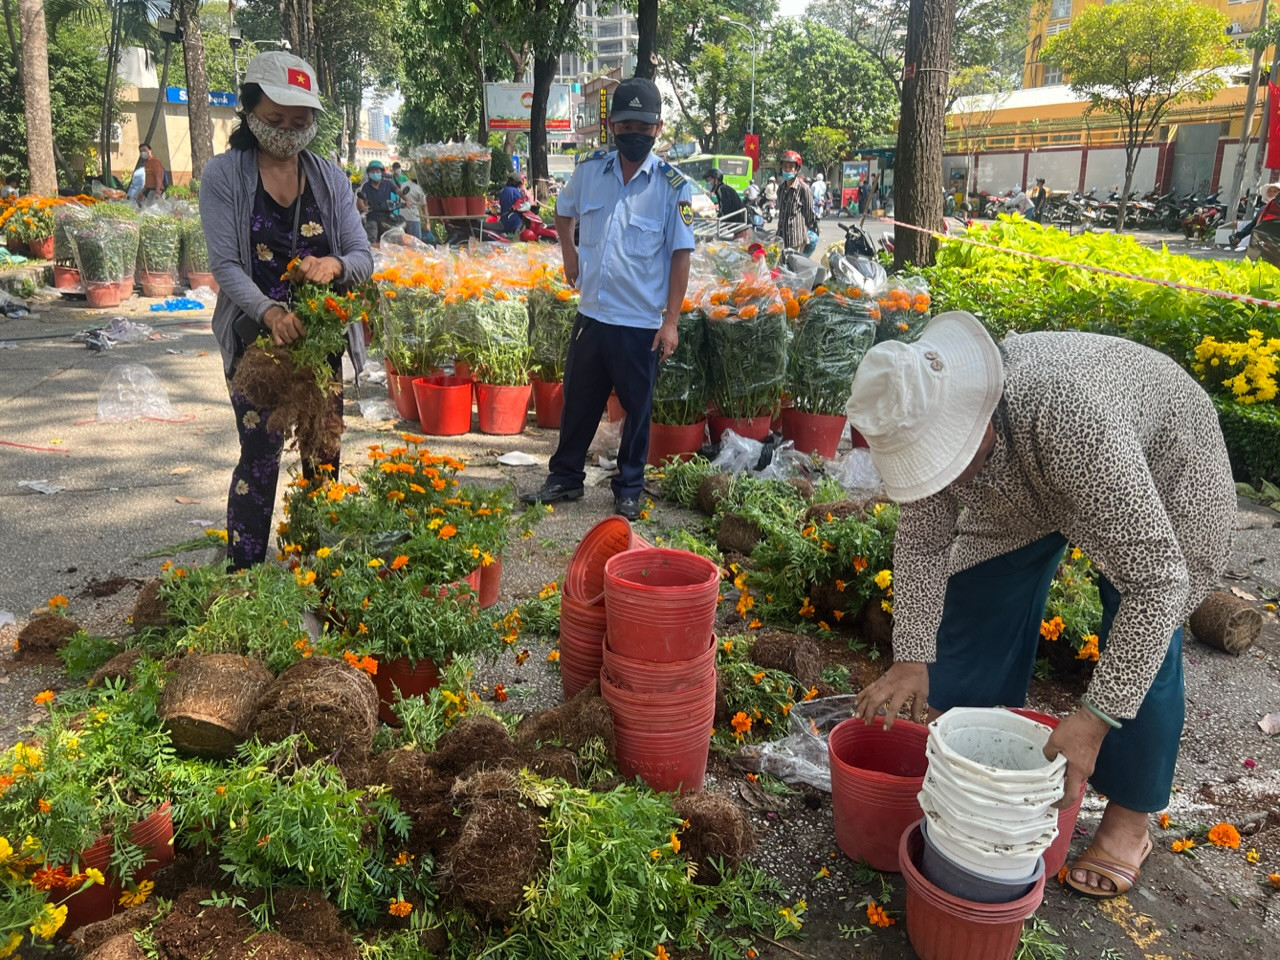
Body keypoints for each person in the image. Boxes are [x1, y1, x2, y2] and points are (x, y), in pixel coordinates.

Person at [846, 312, 1234, 900]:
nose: (937, 477)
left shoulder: (1070, 421)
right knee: (977, 591)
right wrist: (911, 656)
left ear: (976, 421)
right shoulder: (932, 409)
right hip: (1031, 469)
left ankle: (1130, 821)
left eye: (941, 457)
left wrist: (1095, 717)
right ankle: (981, 766)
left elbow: (1157, 584)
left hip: (1161, 460)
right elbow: (924, 536)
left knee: (1144, 623)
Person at [200, 51, 373, 570]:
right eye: (275, 121)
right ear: (249, 112)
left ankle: (318, 570)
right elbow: (226, 265)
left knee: (324, 457)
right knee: (260, 458)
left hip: (320, 346)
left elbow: (363, 255)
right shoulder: (224, 175)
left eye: (300, 123)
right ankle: (245, 575)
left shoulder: (330, 178)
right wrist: (271, 313)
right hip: (258, 344)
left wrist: (336, 264)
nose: (288, 133)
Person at [521, 75, 694, 521]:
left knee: (638, 411)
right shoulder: (589, 172)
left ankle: (629, 487)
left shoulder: (673, 187)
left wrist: (670, 320)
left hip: (639, 324)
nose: (633, 134)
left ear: (657, 128)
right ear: (612, 127)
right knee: (579, 401)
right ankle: (564, 478)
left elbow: (680, 256)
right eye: (624, 125)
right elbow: (562, 212)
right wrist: (570, 255)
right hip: (593, 316)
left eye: (642, 125)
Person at [775, 150, 816, 253]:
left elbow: (810, 214)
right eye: (785, 167)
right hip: (781, 239)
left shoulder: (803, 188)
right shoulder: (780, 189)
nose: (787, 170)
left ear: (796, 169)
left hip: (796, 240)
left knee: (793, 267)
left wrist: (803, 229)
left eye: (790, 167)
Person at [356, 160, 398, 242]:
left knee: (394, 239)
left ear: (382, 172)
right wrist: (363, 207)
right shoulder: (366, 186)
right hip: (373, 217)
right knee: (371, 239)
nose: (375, 173)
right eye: (372, 171)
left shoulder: (388, 184)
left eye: (377, 171)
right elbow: (360, 199)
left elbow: (398, 191)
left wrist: (407, 200)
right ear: (369, 173)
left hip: (388, 216)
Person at [1229, 181, 1280, 247]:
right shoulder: (1263, 209)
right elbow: (1253, 225)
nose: (1272, 193)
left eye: (1275, 191)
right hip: (1263, 240)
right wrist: (1239, 236)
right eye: (1269, 191)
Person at [705, 167, 746, 237]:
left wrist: (717, 228)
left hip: (741, 227)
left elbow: (726, 210)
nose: (709, 183)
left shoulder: (722, 189)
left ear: (716, 180)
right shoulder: (722, 189)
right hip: (739, 226)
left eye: (709, 180)